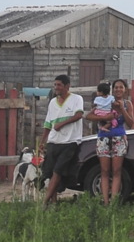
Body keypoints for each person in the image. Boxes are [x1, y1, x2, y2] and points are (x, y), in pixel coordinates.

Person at [38, 74, 85, 207]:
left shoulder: (76, 99)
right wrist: (42, 142)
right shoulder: (53, 102)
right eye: (55, 85)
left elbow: (79, 115)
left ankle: (45, 201)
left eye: (59, 85)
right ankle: (53, 202)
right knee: (50, 171)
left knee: (58, 171)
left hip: (70, 141)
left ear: (67, 86)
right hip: (54, 141)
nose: (56, 88)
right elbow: (48, 124)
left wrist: (62, 123)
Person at [89, 78, 134, 204]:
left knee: (117, 171)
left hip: (119, 138)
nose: (118, 89)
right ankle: (105, 201)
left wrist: (123, 109)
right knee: (104, 171)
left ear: (125, 90)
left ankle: (114, 202)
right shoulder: (105, 101)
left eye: (121, 87)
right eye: (116, 87)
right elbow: (89, 115)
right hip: (103, 138)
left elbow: (131, 123)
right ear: (112, 89)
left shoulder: (127, 104)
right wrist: (105, 117)